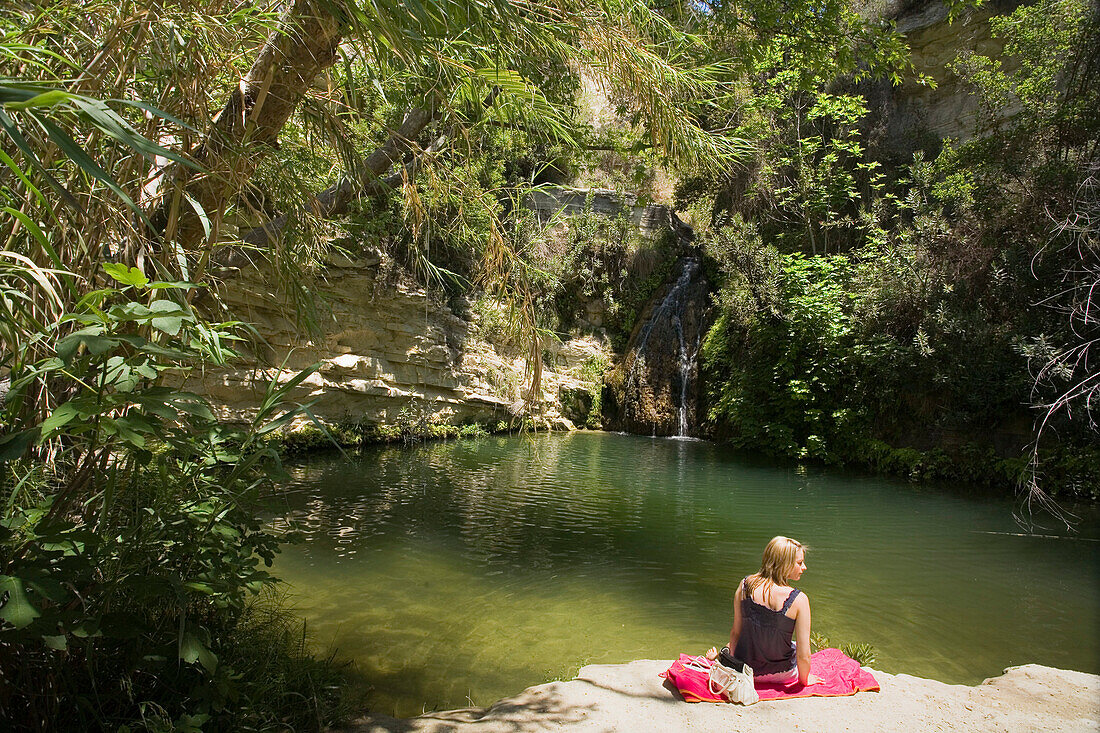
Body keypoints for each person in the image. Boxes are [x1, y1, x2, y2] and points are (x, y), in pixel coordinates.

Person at [709, 536, 823, 687]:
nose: (804, 567)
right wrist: (804, 681)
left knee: (733, 642)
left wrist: (735, 668)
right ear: (785, 564)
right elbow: (804, 655)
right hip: (782, 675)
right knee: (795, 645)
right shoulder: (799, 599)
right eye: (800, 563)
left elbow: (735, 633)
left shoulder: (744, 585)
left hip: (746, 672)